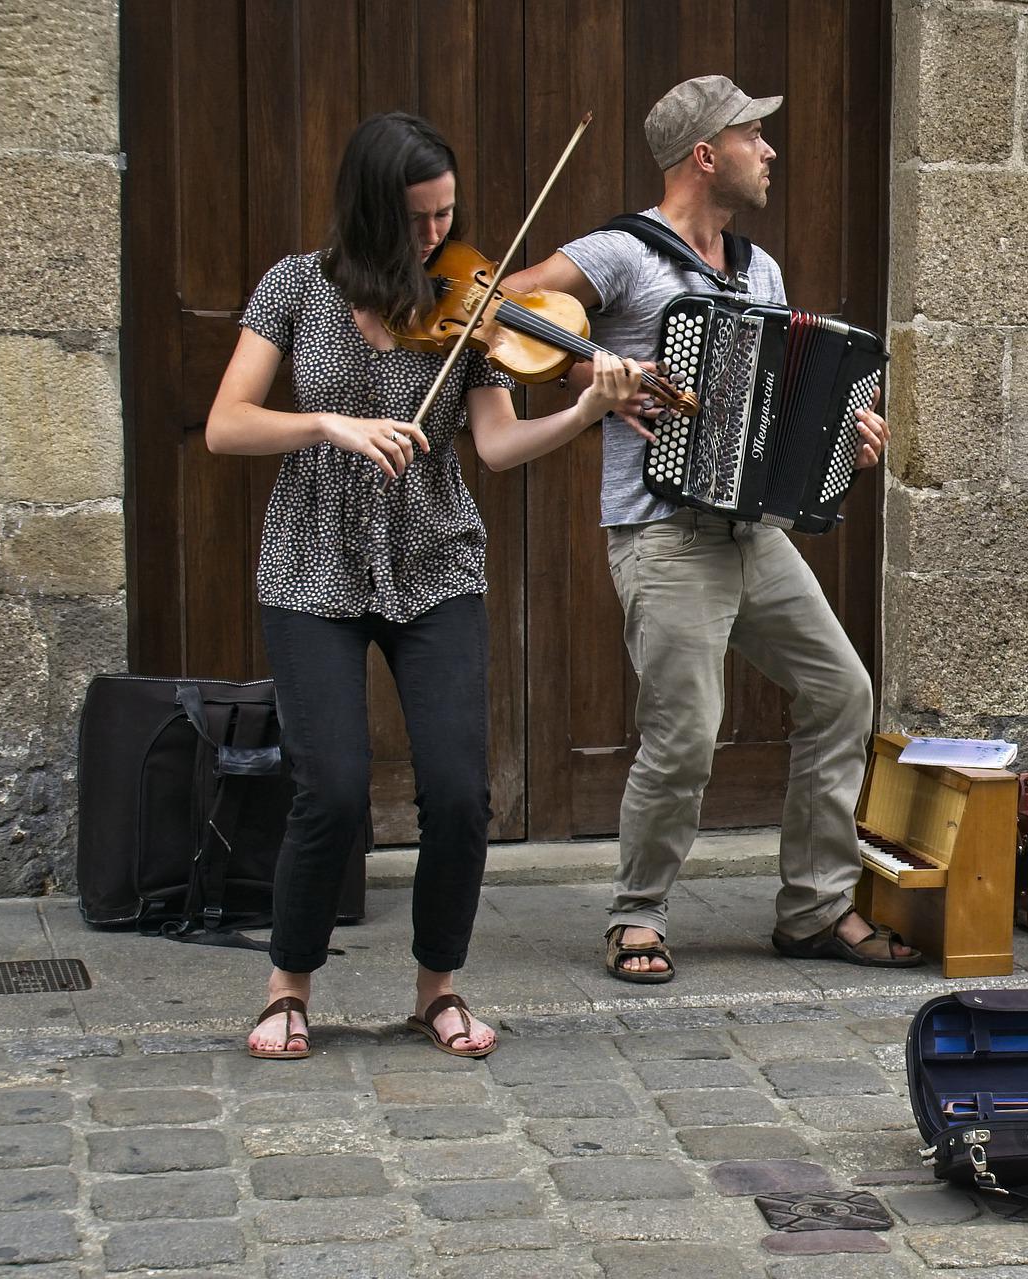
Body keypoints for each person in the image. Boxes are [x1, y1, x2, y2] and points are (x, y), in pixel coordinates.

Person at [208, 112, 644, 1059]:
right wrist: (328, 423)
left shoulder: (471, 303)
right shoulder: (295, 285)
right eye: (417, 220)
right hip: (313, 563)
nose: (438, 238)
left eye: (447, 214)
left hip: (435, 561)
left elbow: (495, 445)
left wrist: (583, 409)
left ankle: (436, 987)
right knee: (332, 787)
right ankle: (288, 985)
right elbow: (226, 424)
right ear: (371, 211)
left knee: (456, 791)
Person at [502, 76, 915, 982]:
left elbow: (778, 404)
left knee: (842, 691)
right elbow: (508, 306)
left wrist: (847, 434)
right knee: (686, 731)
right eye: (753, 136)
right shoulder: (620, 254)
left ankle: (813, 908)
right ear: (705, 154)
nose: (769, 151)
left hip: (752, 531)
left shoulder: (757, 271)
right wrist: (594, 374)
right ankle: (637, 913)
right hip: (661, 534)